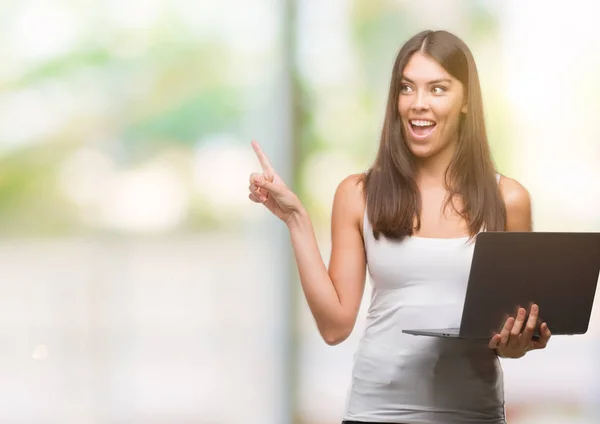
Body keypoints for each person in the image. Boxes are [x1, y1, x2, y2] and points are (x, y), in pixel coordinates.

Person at [247, 29, 552, 424]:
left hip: (472, 413)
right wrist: (296, 219)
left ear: (465, 102)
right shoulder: (359, 193)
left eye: (438, 89)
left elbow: (512, 334)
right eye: (407, 88)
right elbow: (335, 326)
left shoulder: (508, 200)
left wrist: (517, 344)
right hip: (376, 411)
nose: (418, 104)